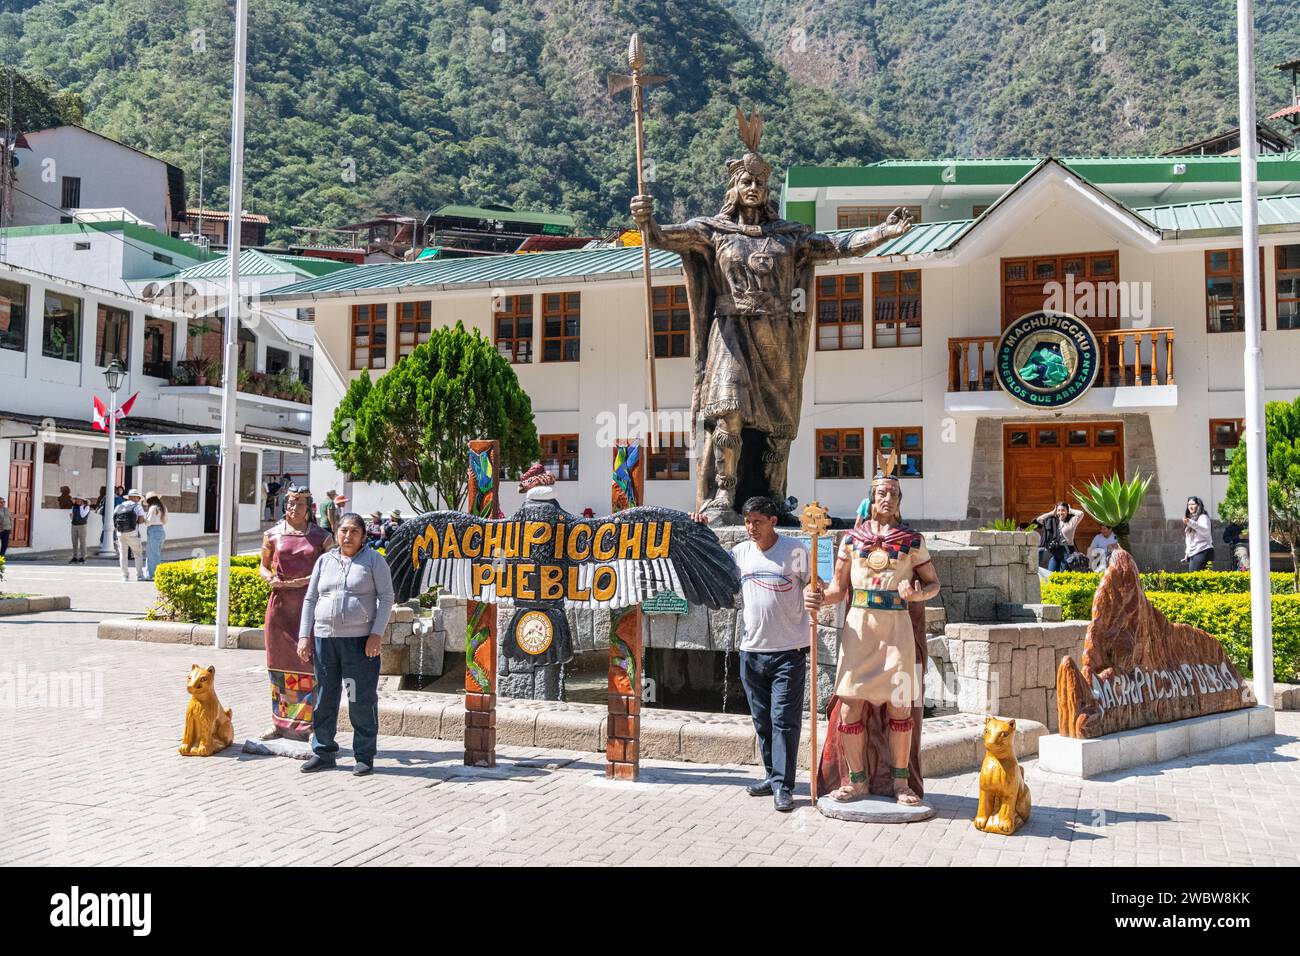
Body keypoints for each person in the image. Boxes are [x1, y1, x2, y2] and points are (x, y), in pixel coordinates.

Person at [631, 113, 911, 521]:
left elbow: (838, 245)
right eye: (746, 181)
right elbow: (661, 238)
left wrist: (882, 232)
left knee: (778, 426)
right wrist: (646, 219)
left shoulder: (789, 236)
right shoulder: (713, 232)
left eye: (760, 183)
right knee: (728, 411)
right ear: (734, 186)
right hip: (729, 333)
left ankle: (774, 498)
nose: (753, 189)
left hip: (778, 337)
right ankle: (723, 498)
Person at [805, 463, 940, 806]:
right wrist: (820, 596)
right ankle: (857, 782)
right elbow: (838, 588)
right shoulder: (851, 540)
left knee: (900, 708)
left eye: (894, 493)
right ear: (871, 497)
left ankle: (900, 783)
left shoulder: (911, 541)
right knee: (850, 707)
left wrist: (917, 595)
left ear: (899, 500)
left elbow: (933, 583)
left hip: (897, 628)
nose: (888, 498)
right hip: (859, 629)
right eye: (882, 493)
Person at [693, 496, 811, 812]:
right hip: (751, 651)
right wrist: (701, 531)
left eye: (757, 522)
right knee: (762, 720)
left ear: (773, 521)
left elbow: (817, 587)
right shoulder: (741, 553)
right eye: (747, 522)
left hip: (789, 651)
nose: (751, 528)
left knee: (783, 720)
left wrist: (818, 595)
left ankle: (784, 787)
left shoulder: (795, 551)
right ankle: (773, 777)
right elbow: (714, 565)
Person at [299, 512, 395, 776]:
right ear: (336, 532)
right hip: (324, 641)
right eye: (343, 531)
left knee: (359, 699)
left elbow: (387, 598)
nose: (348, 536)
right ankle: (323, 752)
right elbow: (310, 599)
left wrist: (376, 634)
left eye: (354, 531)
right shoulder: (324, 561)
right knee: (324, 698)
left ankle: (364, 755)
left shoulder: (374, 561)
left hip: (359, 644)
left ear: (364, 535)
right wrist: (304, 636)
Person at [258, 486, 334, 741]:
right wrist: (271, 580)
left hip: (309, 605)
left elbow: (330, 568)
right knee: (278, 666)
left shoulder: (322, 537)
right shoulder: (272, 534)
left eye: (300, 503)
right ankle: (280, 723)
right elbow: (263, 566)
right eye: (290, 502)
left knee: (308, 666)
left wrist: (305, 581)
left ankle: (309, 726)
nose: (294, 507)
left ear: (309, 507)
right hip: (279, 608)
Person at [1036, 502, 1082, 572]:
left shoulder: (1072, 522)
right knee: (1050, 573)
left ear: (1067, 511)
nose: (1061, 512)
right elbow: (1039, 520)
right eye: (1059, 510)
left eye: (1063, 510)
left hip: (1068, 551)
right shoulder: (1053, 521)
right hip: (1056, 551)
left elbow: (1081, 513)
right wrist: (1052, 513)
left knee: (1063, 574)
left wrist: (1071, 510)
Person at [112, 489, 147, 581]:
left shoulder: (119, 506)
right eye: (138, 498)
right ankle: (139, 575)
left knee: (123, 554)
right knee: (137, 554)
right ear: (135, 497)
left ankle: (125, 576)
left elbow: (114, 519)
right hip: (133, 533)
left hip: (120, 533)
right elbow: (141, 520)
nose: (138, 500)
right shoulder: (137, 507)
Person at [141, 491, 168, 581]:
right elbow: (165, 521)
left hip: (153, 530)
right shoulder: (163, 508)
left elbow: (148, 522)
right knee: (156, 553)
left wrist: (144, 520)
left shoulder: (153, 508)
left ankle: (151, 574)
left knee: (151, 553)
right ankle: (156, 573)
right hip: (161, 530)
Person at [1183, 496, 1214, 571]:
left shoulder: (1203, 517)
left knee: (1196, 578)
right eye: (1189, 504)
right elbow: (1189, 540)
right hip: (1194, 553)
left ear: (1198, 505)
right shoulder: (1191, 519)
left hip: (1203, 550)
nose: (1190, 506)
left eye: (1193, 504)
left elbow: (1205, 531)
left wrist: (1190, 523)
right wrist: (1187, 553)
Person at [68, 494, 91, 564]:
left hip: (82, 526)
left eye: (79, 499)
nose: (77, 500)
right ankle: (75, 557)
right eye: (77, 499)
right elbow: (72, 517)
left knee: (82, 542)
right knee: (74, 542)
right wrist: (71, 517)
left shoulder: (86, 507)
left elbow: (83, 515)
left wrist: (81, 506)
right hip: (74, 525)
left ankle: (83, 557)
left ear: (82, 500)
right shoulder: (74, 507)